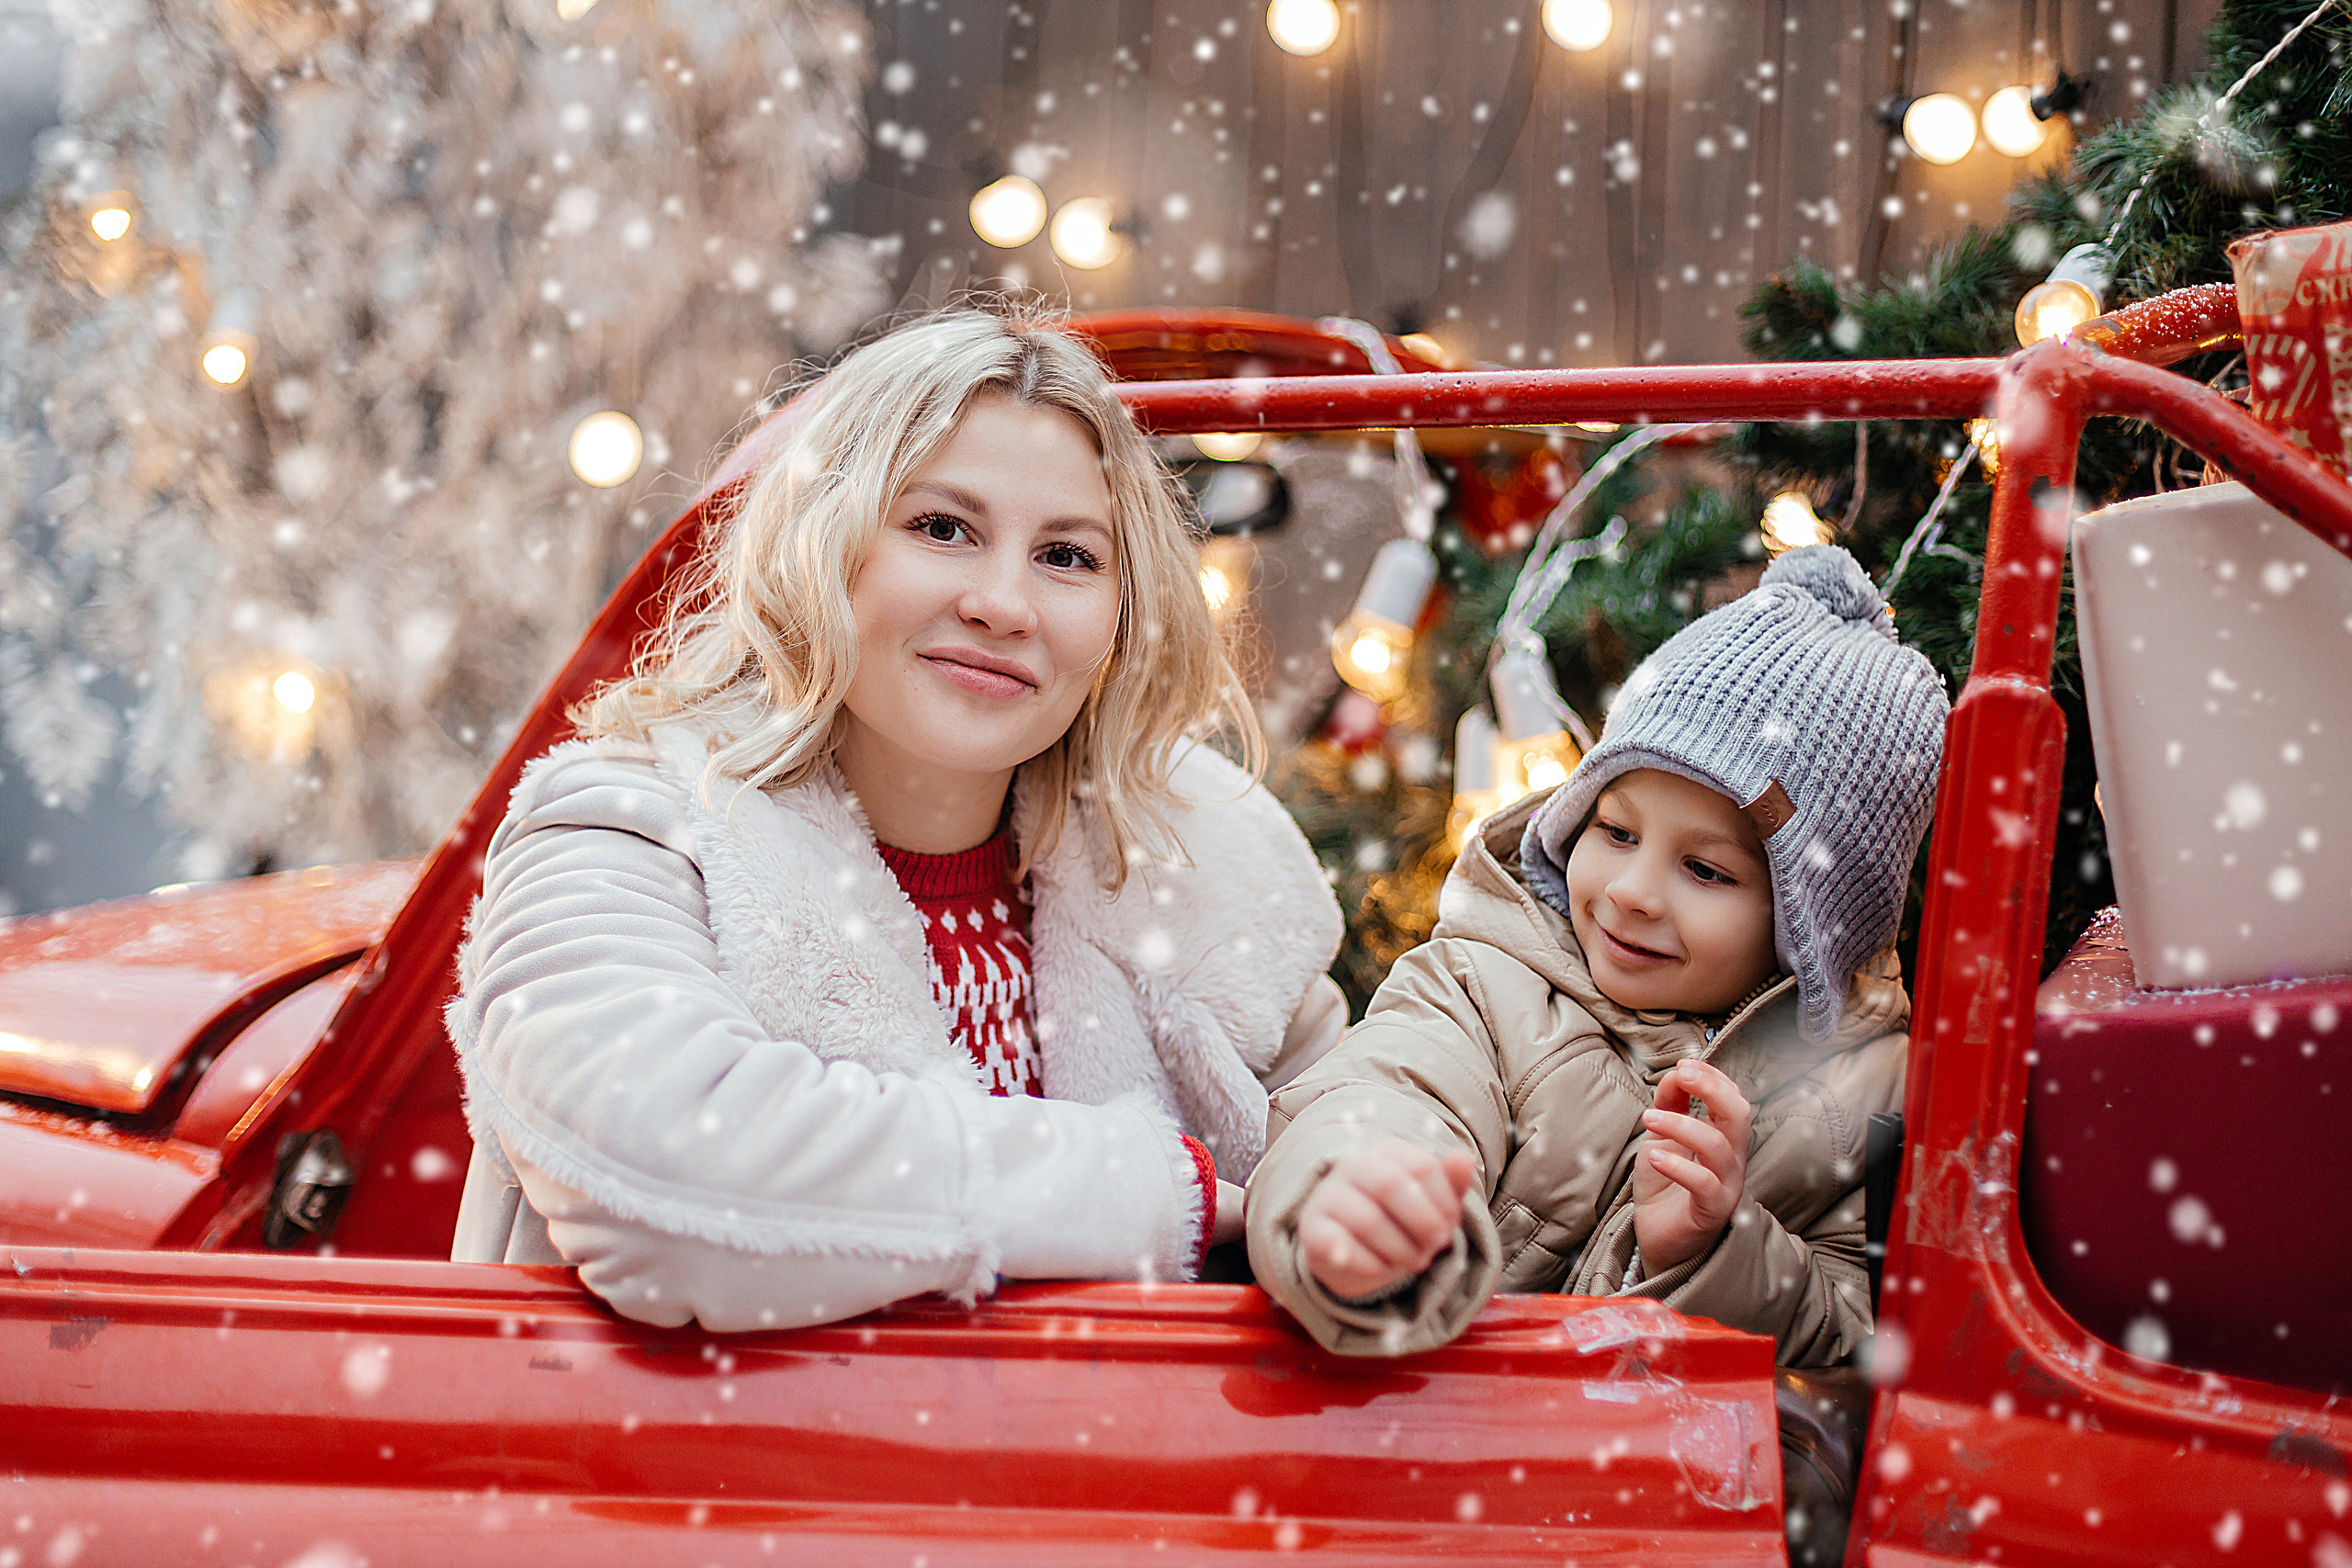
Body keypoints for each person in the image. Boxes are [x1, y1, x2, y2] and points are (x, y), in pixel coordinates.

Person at [447, 308, 1345, 1330]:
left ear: (1123, 613)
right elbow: (670, 1182)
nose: (1005, 604)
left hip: (1137, 1480)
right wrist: (1163, 1199)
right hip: (697, 1480)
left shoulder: (1198, 855)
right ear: (822, 545)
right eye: (941, 528)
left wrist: (1369, 1199)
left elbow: (1351, 1134)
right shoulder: (626, 828)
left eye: (1068, 556)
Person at [1245, 546, 1949, 1365]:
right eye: (1615, 830)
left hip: (1667, 1474)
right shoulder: (1486, 981)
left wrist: (1711, 1249)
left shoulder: (1857, 1093)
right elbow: (1392, 1087)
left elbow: (1857, 1346)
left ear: (1810, 926)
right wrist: (1359, 1191)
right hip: (1431, 1425)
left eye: (1706, 869)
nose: (1631, 891)